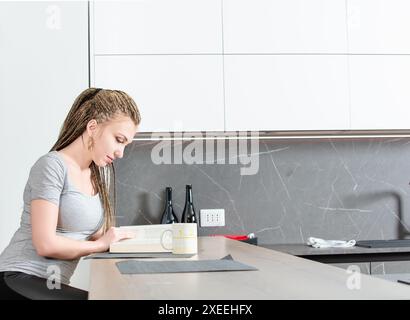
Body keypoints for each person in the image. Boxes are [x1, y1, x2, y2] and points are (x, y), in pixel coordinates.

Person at [0, 88, 141, 300]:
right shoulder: (52, 166)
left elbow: (98, 235)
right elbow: (45, 244)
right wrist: (99, 245)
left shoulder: (100, 174)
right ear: (92, 127)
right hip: (18, 278)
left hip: (49, 285)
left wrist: (147, 242)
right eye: (119, 140)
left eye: (126, 145)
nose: (121, 152)